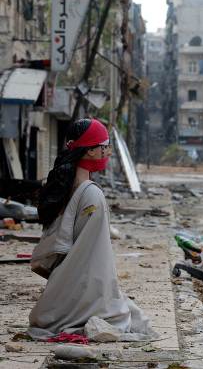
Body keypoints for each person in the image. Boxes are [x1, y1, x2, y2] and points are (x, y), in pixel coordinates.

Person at [28, 118, 157, 341]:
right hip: (85, 283)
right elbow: (95, 255)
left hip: (63, 280)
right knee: (122, 315)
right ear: (89, 151)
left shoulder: (66, 187)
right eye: (104, 146)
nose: (108, 151)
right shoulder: (91, 194)